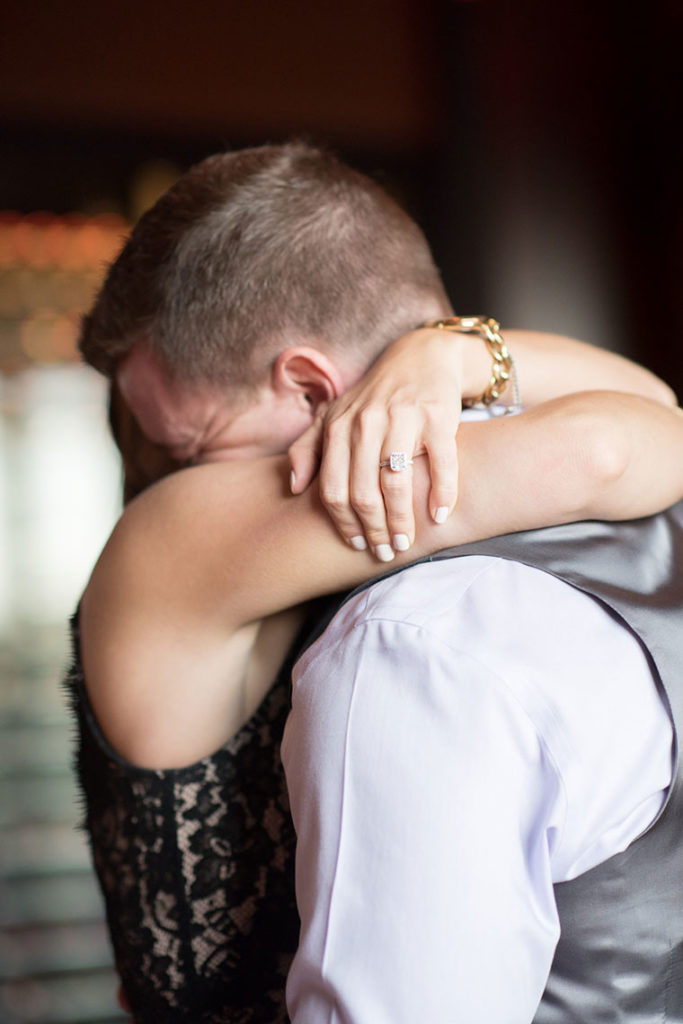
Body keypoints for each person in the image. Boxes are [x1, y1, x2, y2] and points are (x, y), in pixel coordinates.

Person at [71, 142, 683, 1023]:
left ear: (312, 389)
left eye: (190, 447)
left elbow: (637, 427)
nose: (161, 480)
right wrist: (459, 355)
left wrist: (452, 358)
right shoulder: (167, 541)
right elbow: (624, 438)